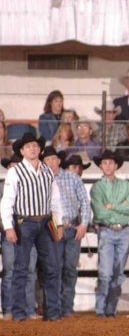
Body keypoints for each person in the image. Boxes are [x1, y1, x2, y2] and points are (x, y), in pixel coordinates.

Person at [0, 133, 64, 322]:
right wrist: (8, 226)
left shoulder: (47, 170)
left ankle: (52, 313)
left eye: (35, 146)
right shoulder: (15, 171)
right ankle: (19, 313)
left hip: (45, 222)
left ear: (39, 149)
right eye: (28, 147)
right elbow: (7, 201)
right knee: (21, 268)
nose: (33, 149)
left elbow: (55, 200)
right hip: (24, 222)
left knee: (51, 268)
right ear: (22, 151)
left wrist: (59, 223)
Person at [40, 147, 91, 319]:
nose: (50, 162)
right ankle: (53, 308)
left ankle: (67, 308)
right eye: (47, 160)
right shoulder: (41, 180)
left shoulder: (73, 177)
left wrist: (84, 224)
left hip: (72, 226)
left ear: (59, 161)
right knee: (54, 269)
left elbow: (85, 202)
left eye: (53, 159)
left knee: (69, 269)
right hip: (52, 226)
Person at [90, 150, 129, 318]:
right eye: (105, 163)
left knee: (118, 273)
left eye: (110, 162)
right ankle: (101, 309)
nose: (108, 165)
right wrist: (120, 206)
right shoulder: (97, 187)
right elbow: (100, 212)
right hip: (107, 230)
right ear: (101, 166)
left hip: (122, 231)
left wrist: (112, 205)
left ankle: (110, 309)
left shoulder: (125, 185)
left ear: (116, 166)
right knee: (105, 273)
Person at [0, 153, 39, 321]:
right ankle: (9, 309)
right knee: (10, 271)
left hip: (28, 233)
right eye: (12, 165)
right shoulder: (2, 187)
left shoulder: (32, 185)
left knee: (29, 272)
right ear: (8, 168)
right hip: (9, 233)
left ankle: (29, 310)